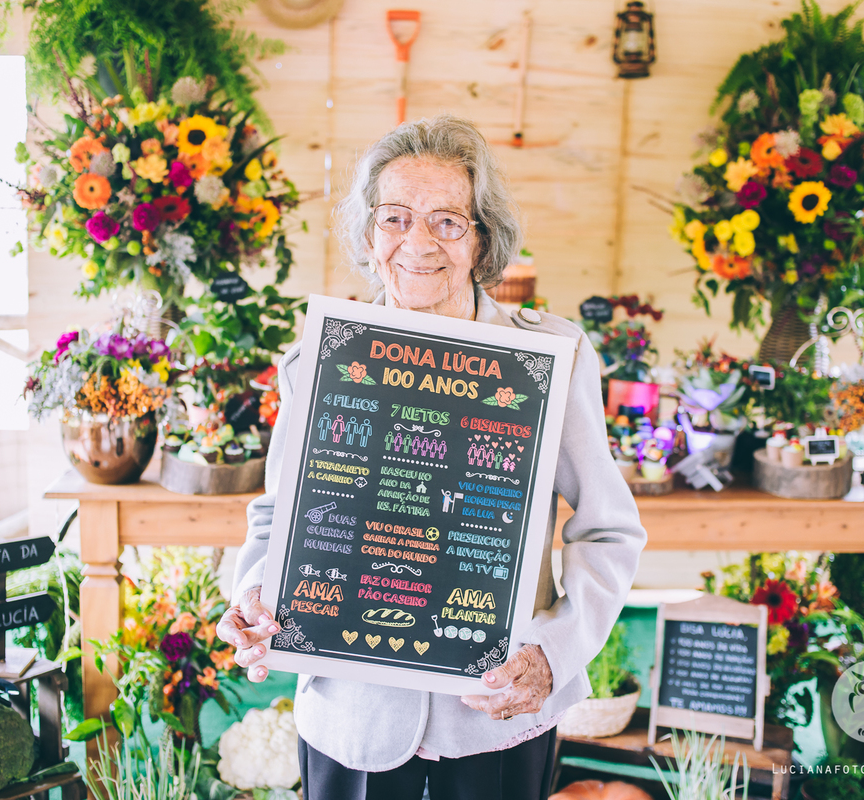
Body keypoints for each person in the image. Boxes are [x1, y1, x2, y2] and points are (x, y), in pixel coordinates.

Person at [217, 114, 645, 800]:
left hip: (495, 719)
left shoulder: (548, 360)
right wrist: (250, 598)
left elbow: (609, 531)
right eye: (394, 218)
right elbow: (276, 520)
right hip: (351, 719)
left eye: (448, 221)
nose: (418, 242)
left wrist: (555, 654)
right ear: (369, 236)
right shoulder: (322, 360)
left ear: (482, 241)